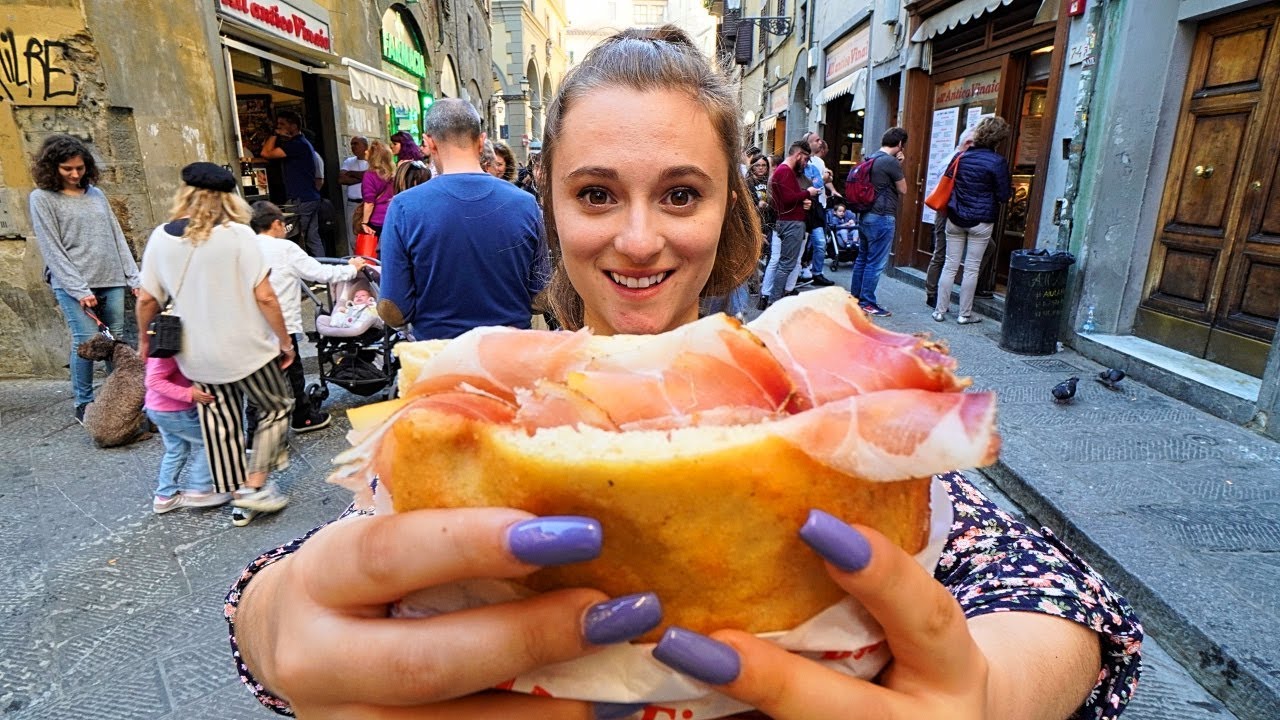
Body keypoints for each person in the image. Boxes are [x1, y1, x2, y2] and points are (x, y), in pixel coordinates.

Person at [225, 26, 1141, 720]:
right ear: (548, 202)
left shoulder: (814, 406)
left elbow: (1053, 600)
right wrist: (270, 625)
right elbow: (323, 580)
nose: (636, 238)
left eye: (679, 193)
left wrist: (995, 690)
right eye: (594, 194)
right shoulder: (478, 428)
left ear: (727, 207)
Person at [136, 163, 295, 528]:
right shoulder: (240, 237)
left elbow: (147, 300)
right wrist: (284, 342)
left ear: (185, 194)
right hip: (248, 352)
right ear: (229, 198)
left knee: (220, 423)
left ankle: (238, 497)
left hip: (197, 357)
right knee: (276, 407)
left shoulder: (160, 238)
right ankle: (255, 484)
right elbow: (266, 297)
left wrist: (145, 339)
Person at [379, 98, 547, 340]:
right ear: (481, 141)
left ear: (429, 143)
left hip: (439, 359)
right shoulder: (525, 204)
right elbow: (541, 298)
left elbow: (394, 310)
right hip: (510, 357)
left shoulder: (404, 207)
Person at [28, 133, 141, 423]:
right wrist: (79, 289)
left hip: (111, 276)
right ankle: (84, 402)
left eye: (80, 168)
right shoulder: (42, 199)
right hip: (72, 282)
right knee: (86, 341)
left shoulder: (96, 194)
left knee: (113, 343)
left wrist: (134, 278)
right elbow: (52, 248)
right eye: (68, 169)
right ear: (53, 167)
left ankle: (119, 398)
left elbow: (116, 237)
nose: (75, 174)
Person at [249, 200, 366, 433]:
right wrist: (352, 268)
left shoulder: (245, 247)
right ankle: (301, 417)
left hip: (252, 326)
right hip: (280, 323)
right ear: (276, 224)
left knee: (258, 379)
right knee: (293, 372)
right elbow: (320, 273)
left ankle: (254, 429)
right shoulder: (285, 248)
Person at [933, 116, 1013, 325]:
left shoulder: (961, 157)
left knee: (950, 265)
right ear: (998, 139)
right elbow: (1004, 195)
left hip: (955, 216)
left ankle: (940, 311)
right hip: (981, 220)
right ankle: (964, 314)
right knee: (972, 268)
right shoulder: (997, 162)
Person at [144, 354, 226, 513]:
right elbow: (153, 380)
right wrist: (189, 394)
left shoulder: (158, 341)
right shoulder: (169, 345)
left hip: (159, 408)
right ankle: (200, 489)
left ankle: (165, 496)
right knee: (211, 442)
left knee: (176, 451)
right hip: (174, 411)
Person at [848, 127, 908, 318]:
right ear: (899, 144)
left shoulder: (871, 158)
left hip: (866, 215)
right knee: (875, 262)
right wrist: (900, 164)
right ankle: (867, 302)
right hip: (882, 216)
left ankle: (855, 298)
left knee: (863, 258)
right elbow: (904, 189)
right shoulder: (890, 162)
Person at [259, 110, 325, 257]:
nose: (279, 127)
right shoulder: (301, 144)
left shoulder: (297, 144)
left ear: (293, 126)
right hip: (309, 197)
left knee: (296, 236)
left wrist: (274, 134)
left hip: (300, 199)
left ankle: (304, 271)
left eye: (282, 124)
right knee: (312, 238)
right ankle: (322, 267)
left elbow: (266, 153)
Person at [763, 139, 820, 310]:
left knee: (784, 263)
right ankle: (774, 302)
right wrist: (808, 193)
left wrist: (803, 200)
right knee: (786, 264)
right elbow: (789, 199)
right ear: (799, 154)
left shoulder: (782, 171)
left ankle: (774, 300)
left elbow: (784, 199)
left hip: (787, 222)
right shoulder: (785, 171)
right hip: (791, 223)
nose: (806, 162)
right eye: (806, 158)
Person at [925, 128, 975, 308]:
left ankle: (963, 286)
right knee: (940, 254)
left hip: (955, 212)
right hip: (946, 212)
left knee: (987, 248)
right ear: (967, 143)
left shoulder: (958, 158)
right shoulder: (954, 160)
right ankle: (932, 293)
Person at [801, 134, 836, 287]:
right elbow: (812, 181)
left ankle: (817, 273)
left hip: (818, 207)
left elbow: (822, 182)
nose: (820, 142)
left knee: (820, 242)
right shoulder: (800, 159)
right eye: (816, 140)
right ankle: (799, 271)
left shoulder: (820, 161)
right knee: (801, 244)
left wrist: (827, 178)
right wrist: (825, 176)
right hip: (803, 207)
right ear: (807, 143)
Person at [359, 140, 396, 239]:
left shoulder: (370, 175)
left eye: (368, 150)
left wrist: (364, 222)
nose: (365, 152)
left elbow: (369, 202)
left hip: (376, 220)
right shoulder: (393, 173)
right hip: (392, 216)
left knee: (374, 252)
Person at [339, 136, 369, 249]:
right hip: (353, 204)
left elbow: (375, 175)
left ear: (365, 146)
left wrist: (351, 173)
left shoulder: (371, 161)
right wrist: (365, 176)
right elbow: (342, 179)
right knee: (353, 237)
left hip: (367, 204)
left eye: (356, 144)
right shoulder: (348, 162)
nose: (353, 147)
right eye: (352, 144)